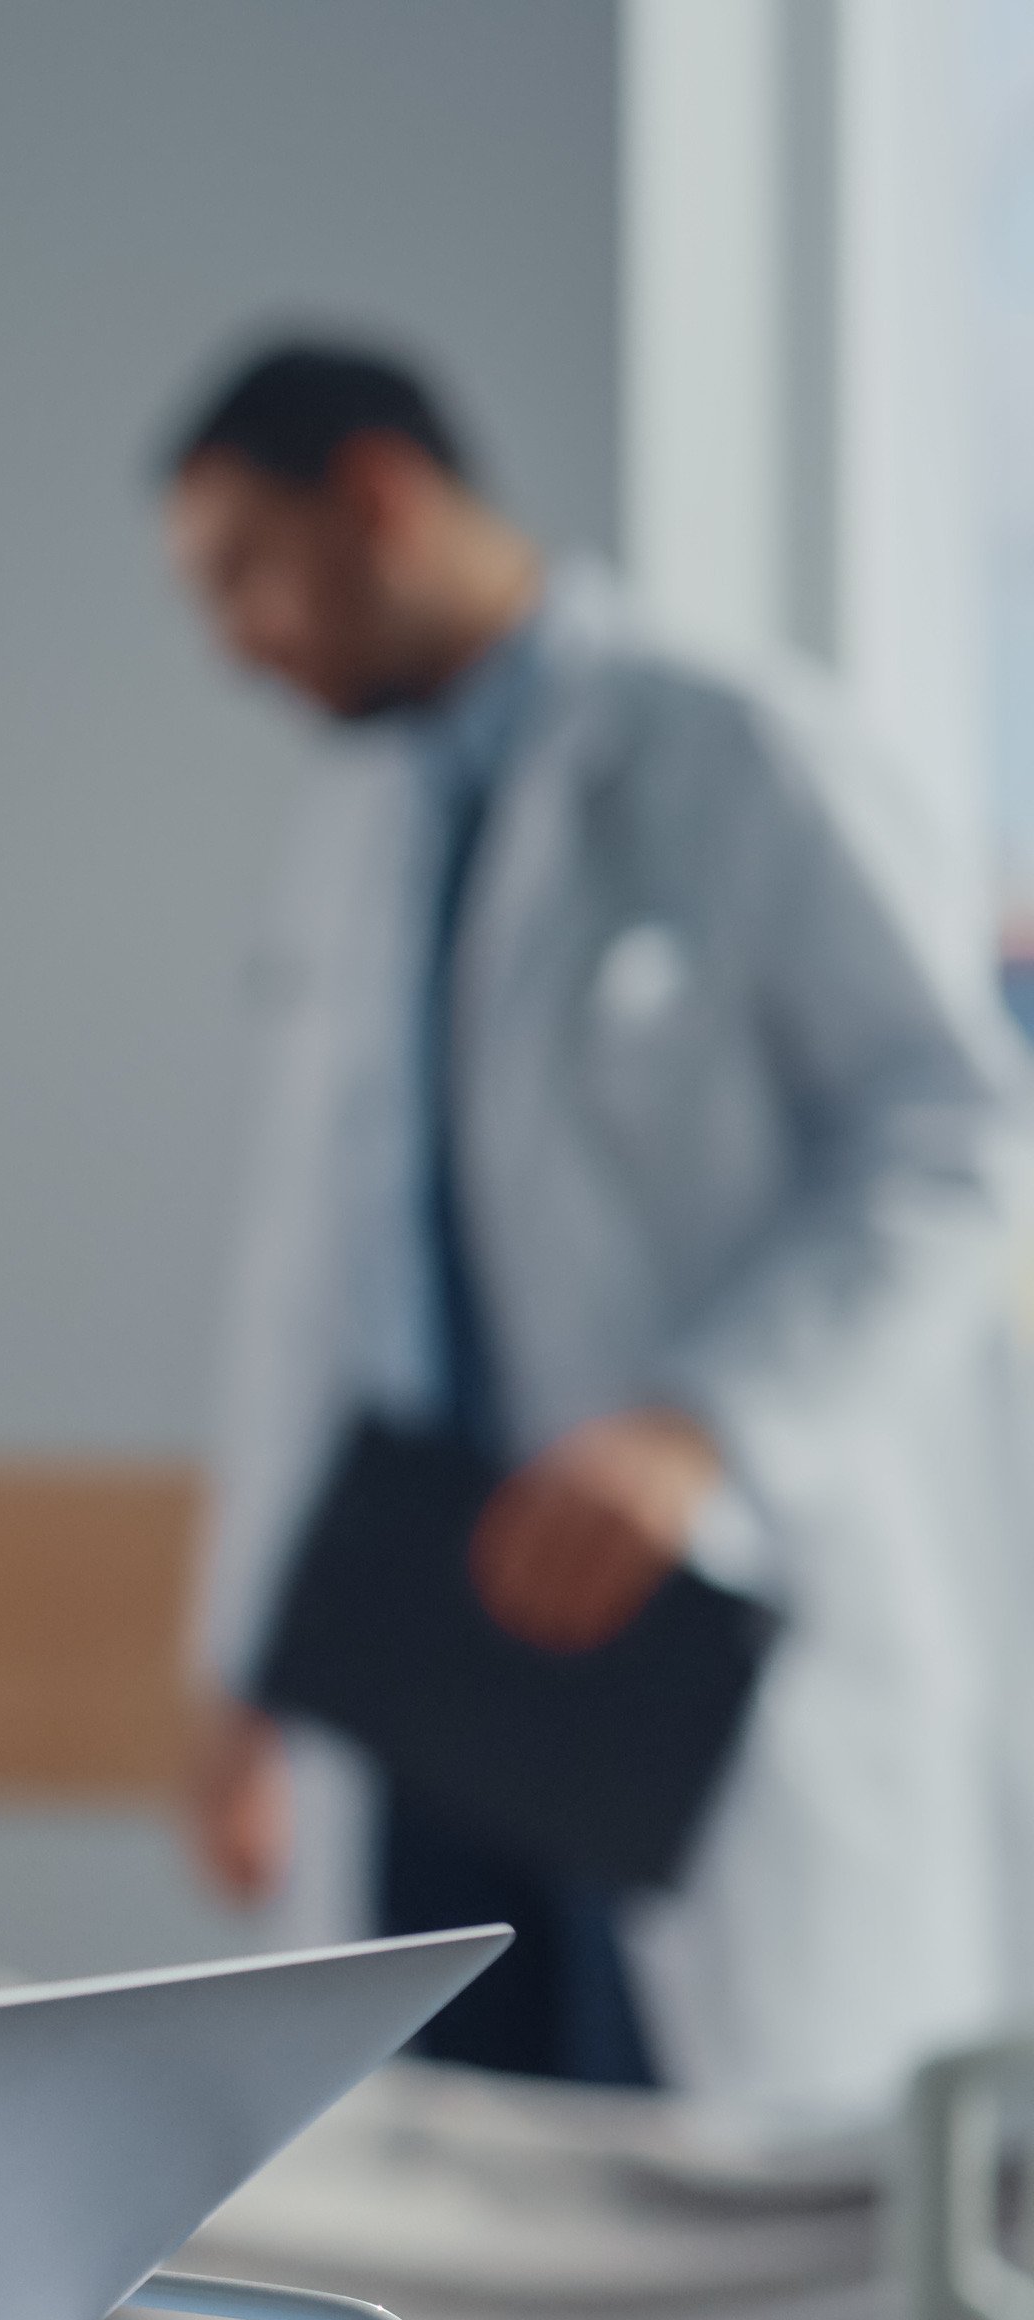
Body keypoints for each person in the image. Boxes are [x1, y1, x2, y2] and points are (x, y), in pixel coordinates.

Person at [158, 339, 1034, 2129]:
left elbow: (953, 1131)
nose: (235, 638)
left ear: (380, 499)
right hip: (418, 1647)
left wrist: (701, 1421)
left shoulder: (736, 745)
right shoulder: (360, 826)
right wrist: (236, 1668)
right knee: (463, 2215)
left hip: (689, 1625)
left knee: (706, 2220)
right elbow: (307, 1289)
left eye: (245, 569)